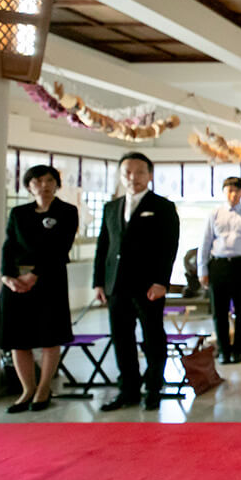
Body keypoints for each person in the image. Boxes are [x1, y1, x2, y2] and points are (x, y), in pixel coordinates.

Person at [0, 164, 78, 413]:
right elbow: (9, 245)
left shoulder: (67, 212)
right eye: (37, 181)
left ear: (56, 184)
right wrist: (7, 276)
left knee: (50, 337)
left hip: (50, 280)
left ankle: (43, 389)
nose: (43, 186)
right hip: (17, 282)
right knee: (18, 339)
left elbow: (61, 248)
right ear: (28, 186)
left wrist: (36, 274)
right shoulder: (19, 213)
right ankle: (27, 390)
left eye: (49, 181)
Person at [93, 152, 180, 412]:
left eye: (140, 172)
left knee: (153, 337)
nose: (134, 178)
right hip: (116, 285)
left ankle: (153, 388)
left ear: (150, 175)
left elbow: (169, 248)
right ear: (121, 176)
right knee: (122, 339)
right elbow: (103, 247)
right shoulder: (111, 207)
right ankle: (128, 390)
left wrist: (161, 281)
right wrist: (99, 282)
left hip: (148, 285)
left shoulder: (163, 207)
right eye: (127, 173)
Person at [198, 176, 241, 364]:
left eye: (237, 191)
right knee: (219, 312)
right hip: (218, 265)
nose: (233, 194)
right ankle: (223, 351)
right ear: (224, 192)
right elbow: (205, 243)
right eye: (230, 190)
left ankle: (238, 350)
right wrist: (202, 270)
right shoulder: (214, 214)